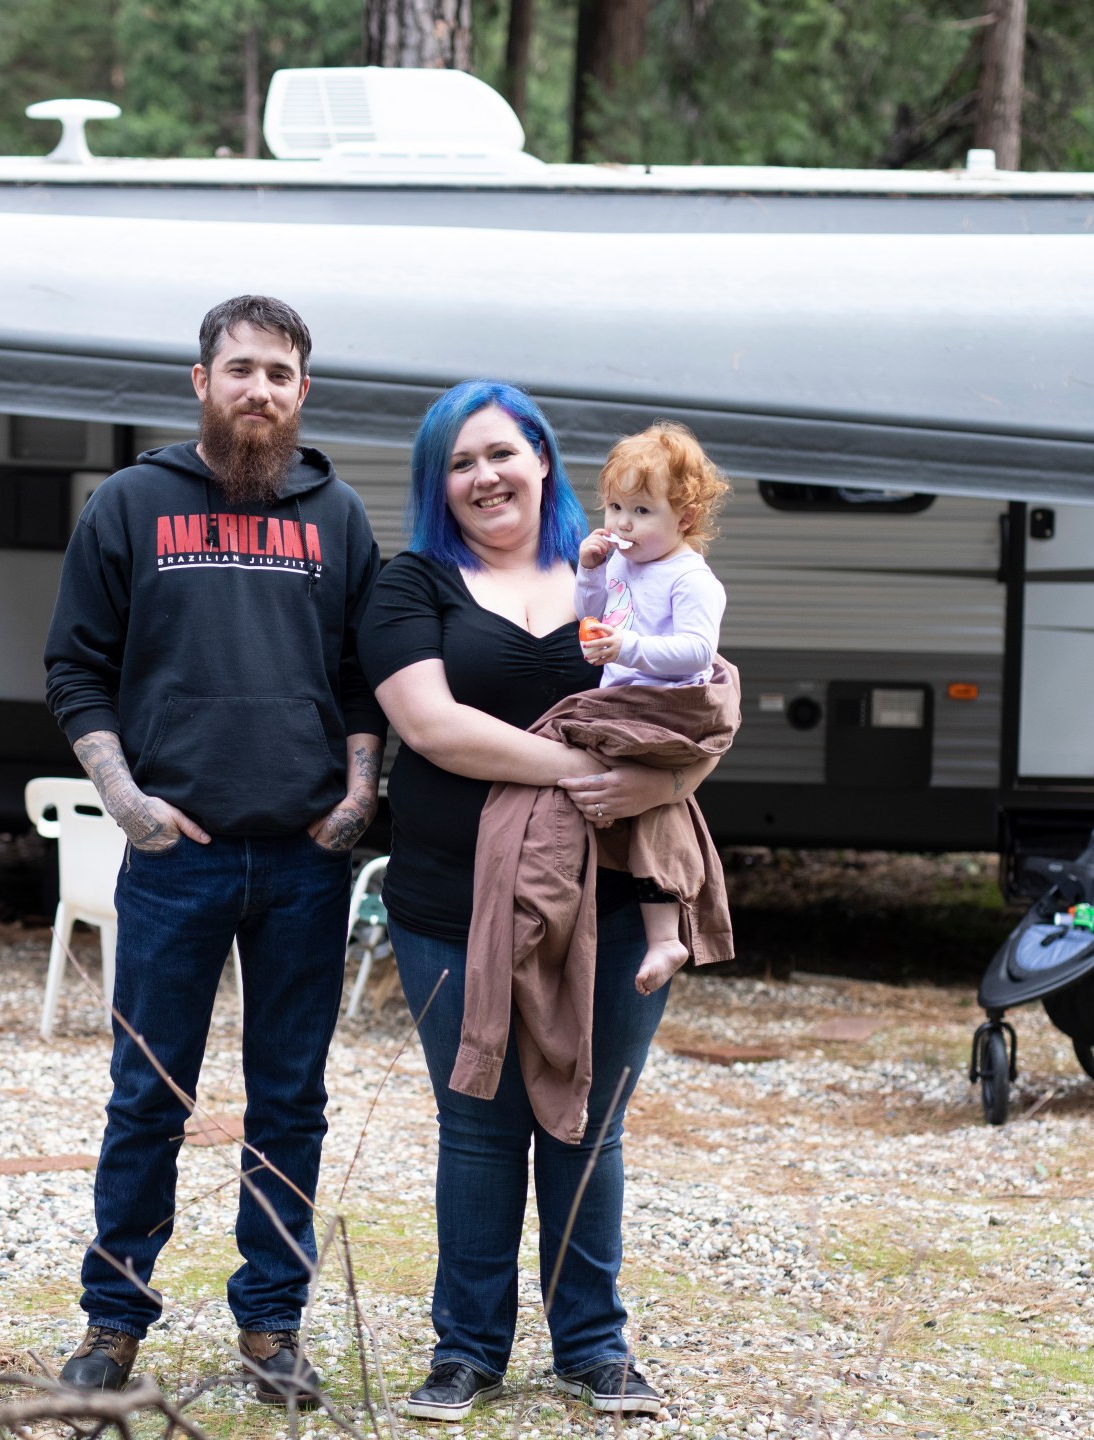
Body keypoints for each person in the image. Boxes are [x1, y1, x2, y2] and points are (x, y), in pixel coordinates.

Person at [42, 295, 384, 1407]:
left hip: (301, 861)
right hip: (175, 857)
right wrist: (127, 800)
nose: (260, 391)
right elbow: (74, 668)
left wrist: (358, 794)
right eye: (241, 369)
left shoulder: (338, 517)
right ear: (200, 381)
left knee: (291, 1099)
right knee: (147, 1095)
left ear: (301, 393)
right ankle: (112, 1321)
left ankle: (272, 1325)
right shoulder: (131, 505)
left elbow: (359, 679)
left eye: (280, 375)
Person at [361, 381, 720, 1423]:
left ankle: (593, 1350)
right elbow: (432, 729)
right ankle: (466, 1352)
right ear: (440, 484)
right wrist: (577, 768)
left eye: (502, 454)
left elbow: (692, 710)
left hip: (607, 897)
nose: (484, 477)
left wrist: (664, 783)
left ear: (545, 460)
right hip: (449, 902)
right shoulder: (411, 584)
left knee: (586, 1126)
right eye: (460, 462)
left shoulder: (624, 572)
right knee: (477, 1128)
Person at [574, 421, 734, 996]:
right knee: (634, 805)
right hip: (624, 697)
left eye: (641, 511)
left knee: (650, 804)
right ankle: (644, 926)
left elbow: (696, 650)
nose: (620, 524)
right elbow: (589, 613)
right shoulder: (621, 560)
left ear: (684, 518)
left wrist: (629, 649)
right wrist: (590, 570)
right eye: (614, 506)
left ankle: (666, 934)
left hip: (670, 704)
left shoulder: (691, 578)